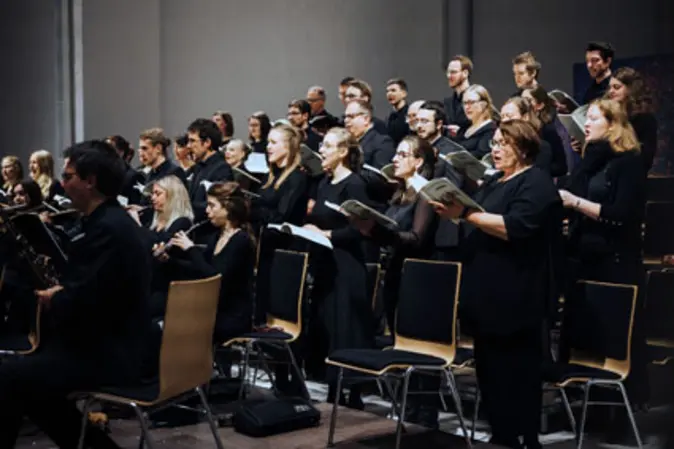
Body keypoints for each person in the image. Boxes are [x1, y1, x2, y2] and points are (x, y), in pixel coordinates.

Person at [0, 140, 152, 449]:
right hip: (112, 343)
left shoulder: (107, 230)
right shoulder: (110, 222)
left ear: (90, 181)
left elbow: (87, 302)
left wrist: (54, 297)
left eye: (68, 176)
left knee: (9, 375)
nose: (62, 183)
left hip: (112, 353)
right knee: (28, 385)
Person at [432, 120, 562, 449]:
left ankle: (523, 436)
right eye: (494, 142)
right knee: (490, 372)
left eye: (504, 143)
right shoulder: (495, 181)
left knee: (517, 372)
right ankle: (502, 434)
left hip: (517, 294)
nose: (495, 149)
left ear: (523, 147)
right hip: (487, 295)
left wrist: (464, 214)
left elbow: (514, 227)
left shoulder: (536, 181)